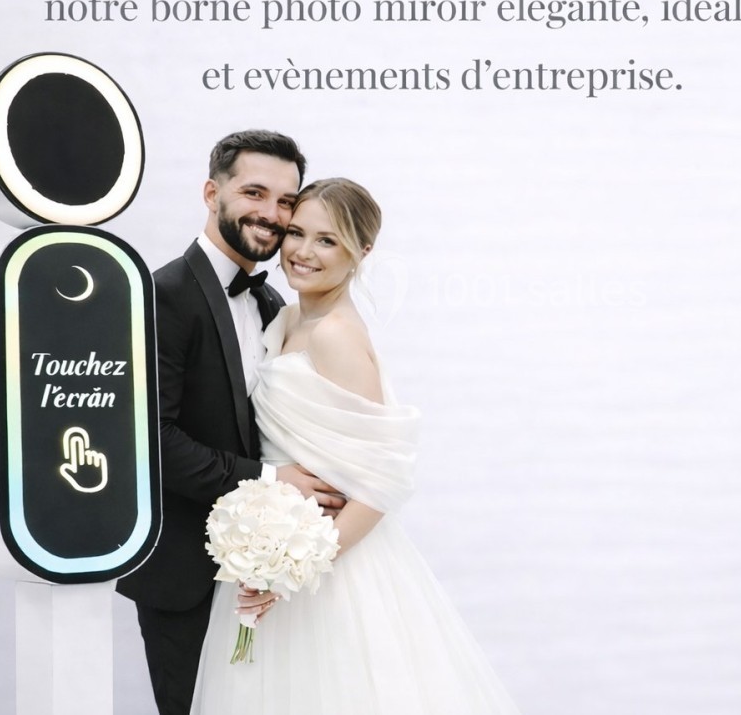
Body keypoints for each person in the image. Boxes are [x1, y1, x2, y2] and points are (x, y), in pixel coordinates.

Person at [190, 178, 521, 714]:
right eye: (296, 232)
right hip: (273, 554)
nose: (301, 251)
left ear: (361, 252)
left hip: (327, 571)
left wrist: (289, 571)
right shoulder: (290, 316)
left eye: (328, 240)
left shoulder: (334, 334)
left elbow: (379, 483)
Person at [116, 130, 345, 715]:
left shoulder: (275, 304)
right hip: (186, 576)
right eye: (255, 193)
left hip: (269, 575)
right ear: (211, 192)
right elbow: (152, 443)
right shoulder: (162, 294)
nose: (272, 214)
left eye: (286, 201)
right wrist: (271, 481)